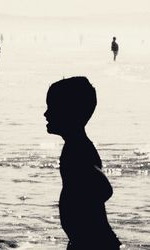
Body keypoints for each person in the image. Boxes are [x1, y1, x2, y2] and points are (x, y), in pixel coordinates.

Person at [44, 77, 121, 250]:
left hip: (94, 241)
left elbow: (105, 188)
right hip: (85, 240)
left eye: (52, 108)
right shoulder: (75, 145)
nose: (46, 114)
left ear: (69, 113)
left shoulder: (76, 149)